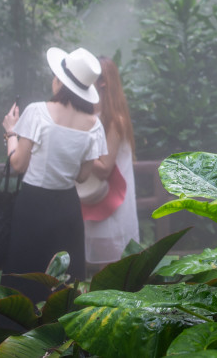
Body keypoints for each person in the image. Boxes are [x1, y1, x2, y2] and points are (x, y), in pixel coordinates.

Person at [0, 46, 108, 297]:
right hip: (67, 208)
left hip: (33, 205)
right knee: (64, 283)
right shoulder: (94, 126)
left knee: (25, 276)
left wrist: (11, 132)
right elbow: (82, 176)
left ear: (61, 82)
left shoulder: (37, 112)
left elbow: (18, 164)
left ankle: (21, 334)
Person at [80, 56, 140, 272]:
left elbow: (104, 167)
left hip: (113, 206)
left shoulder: (114, 120)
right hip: (95, 200)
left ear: (102, 81)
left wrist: (78, 150)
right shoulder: (93, 116)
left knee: (111, 271)